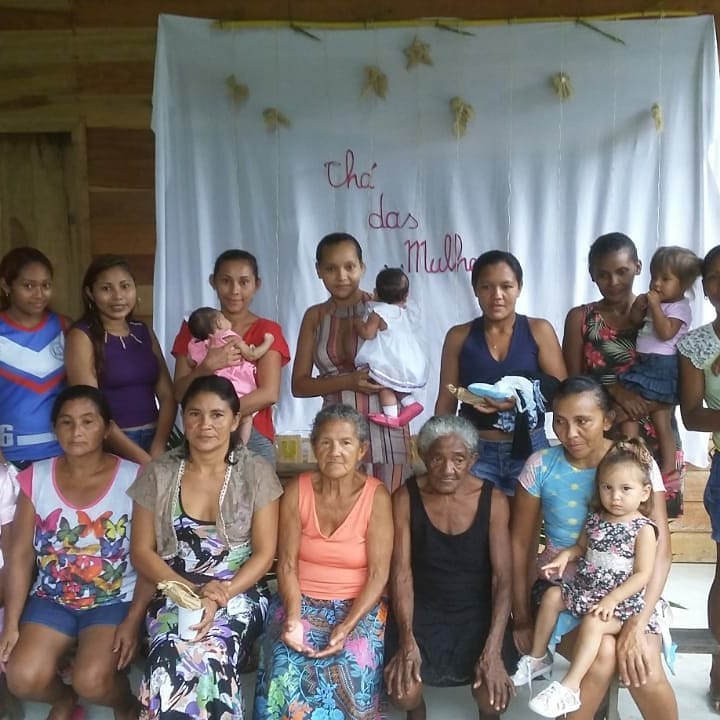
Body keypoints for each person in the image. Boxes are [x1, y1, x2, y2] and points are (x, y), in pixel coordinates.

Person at [512, 376, 677, 720]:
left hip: (631, 593)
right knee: (602, 652)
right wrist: (522, 616)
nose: (569, 433)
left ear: (608, 419)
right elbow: (521, 545)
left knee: (642, 661)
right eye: (560, 421)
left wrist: (638, 621)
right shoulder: (541, 465)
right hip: (565, 590)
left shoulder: (635, 465)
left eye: (582, 421)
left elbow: (660, 551)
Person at [129, 375, 282, 720]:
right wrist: (192, 591)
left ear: (235, 419)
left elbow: (264, 553)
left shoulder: (256, 472)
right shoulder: (159, 472)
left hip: (238, 591)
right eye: (195, 414)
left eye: (217, 415)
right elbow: (141, 551)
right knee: (168, 652)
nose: (205, 425)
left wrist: (217, 594)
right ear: (184, 419)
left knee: (214, 651)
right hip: (173, 589)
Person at [0, 385, 148, 720]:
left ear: (107, 427)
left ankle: (125, 704)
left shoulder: (134, 478)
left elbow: (147, 557)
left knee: (92, 681)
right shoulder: (34, 478)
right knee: (21, 677)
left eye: (87, 421)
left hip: (114, 600)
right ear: (55, 428)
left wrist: (133, 620)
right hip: (51, 599)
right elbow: (21, 557)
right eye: (66, 422)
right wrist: (11, 623)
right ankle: (63, 700)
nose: (76, 431)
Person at [253, 404, 393, 720]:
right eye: (326, 442)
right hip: (298, 598)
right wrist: (292, 617)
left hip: (358, 606)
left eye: (346, 443)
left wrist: (346, 625)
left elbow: (378, 574)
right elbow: (286, 564)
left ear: (362, 450)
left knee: (353, 668)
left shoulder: (377, 497)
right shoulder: (296, 490)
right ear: (314, 446)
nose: (335, 452)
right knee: (284, 662)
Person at [384, 415, 517, 719]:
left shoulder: (493, 499)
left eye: (458, 459)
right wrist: (406, 640)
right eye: (437, 459)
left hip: (478, 614)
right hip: (422, 611)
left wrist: (493, 649)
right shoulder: (405, 497)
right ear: (422, 455)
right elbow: (401, 573)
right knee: (403, 693)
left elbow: (502, 580)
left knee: (494, 698)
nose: (447, 470)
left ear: (473, 460)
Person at [562, 232, 685, 512]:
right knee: (603, 527)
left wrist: (644, 403)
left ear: (638, 267)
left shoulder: (663, 315)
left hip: (659, 432)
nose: (614, 282)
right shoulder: (582, 319)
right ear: (591, 274)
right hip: (605, 436)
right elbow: (572, 386)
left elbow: (679, 376)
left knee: (654, 528)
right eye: (603, 274)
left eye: (622, 271)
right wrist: (616, 394)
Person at [435, 249, 566, 496]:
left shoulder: (539, 330)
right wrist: (441, 447)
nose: (497, 295)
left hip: (529, 448)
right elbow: (446, 401)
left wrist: (517, 400)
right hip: (474, 450)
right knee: (477, 532)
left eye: (506, 286)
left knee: (523, 534)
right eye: (486, 287)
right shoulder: (458, 336)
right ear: (475, 289)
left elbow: (561, 395)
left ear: (519, 287)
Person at [292, 233, 412, 491]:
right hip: (335, 435)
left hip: (386, 427)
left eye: (349, 267)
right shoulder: (315, 317)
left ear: (362, 267)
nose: (342, 276)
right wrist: (347, 381)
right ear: (318, 271)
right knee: (341, 513)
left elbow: (409, 361)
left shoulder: (383, 309)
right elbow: (298, 386)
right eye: (331, 269)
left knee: (390, 509)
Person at [172, 250, 290, 465]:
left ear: (257, 284)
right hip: (203, 435)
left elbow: (268, 393)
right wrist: (206, 366)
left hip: (250, 433)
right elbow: (179, 392)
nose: (235, 290)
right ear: (213, 282)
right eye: (226, 281)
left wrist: (219, 419)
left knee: (255, 498)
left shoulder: (267, 330)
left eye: (244, 282)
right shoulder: (193, 328)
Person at [64, 255, 176, 465]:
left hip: (155, 441)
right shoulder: (82, 336)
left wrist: (159, 446)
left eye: (125, 286)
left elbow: (168, 396)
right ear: (90, 293)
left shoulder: (143, 331)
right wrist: (141, 458)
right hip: (110, 445)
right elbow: (91, 408)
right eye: (106, 288)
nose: (118, 296)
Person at [678, 244, 720, 711]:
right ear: (705, 286)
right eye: (715, 276)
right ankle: (719, 670)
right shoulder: (699, 344)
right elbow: (691, 416)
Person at [619, 246, 701, 479]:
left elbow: (665, 333)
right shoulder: (656, 301)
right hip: (646, 364)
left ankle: (668, 466)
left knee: (660, 419)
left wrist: (655, 307)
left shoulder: (680, 307)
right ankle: (631, 452)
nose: (656, 283)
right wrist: (639, 307)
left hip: (663, 367)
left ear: (683, 285)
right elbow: (635, 322)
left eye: (665, 279)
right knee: (637, 410)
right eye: (654, 277)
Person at [0, 247, 68, 468]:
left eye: (45, 285)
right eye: (28, 286)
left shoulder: (65, 327)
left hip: (63, 454)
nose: (39, 294)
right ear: (5, 286)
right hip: (9, 459)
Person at [187, 306, 274, 446]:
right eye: (224, 318)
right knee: (246, 419)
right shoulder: (228, 336)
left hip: (214, 391)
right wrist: (268, 342)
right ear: (219, 323)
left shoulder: (195, 345)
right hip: (236, 386)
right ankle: (241, 446)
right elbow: (252, 354)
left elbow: (190, 361)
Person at [354, 267, 428, 427]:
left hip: (389, 358)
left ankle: (391, 416)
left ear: (376, 292)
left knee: (383, 384)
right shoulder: (405, 311)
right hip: (407, 359)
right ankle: (411, 403)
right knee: (397, 383)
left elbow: (368, 334)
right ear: (406, 295)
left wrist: (358, 324)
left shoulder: (378, 312)